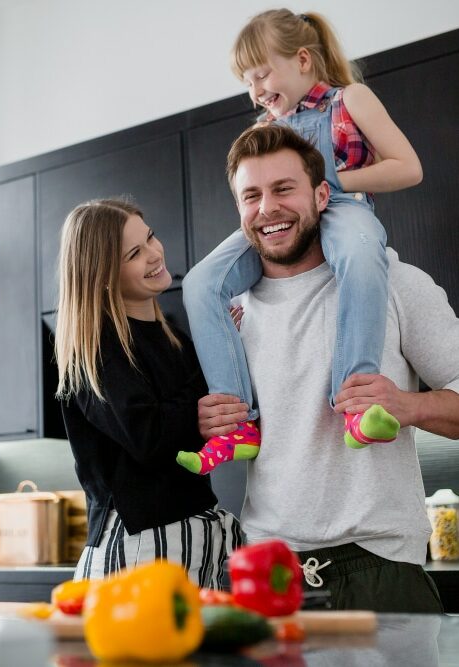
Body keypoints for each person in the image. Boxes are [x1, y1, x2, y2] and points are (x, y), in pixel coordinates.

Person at [197, 122, 459, 612]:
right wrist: (211, 420)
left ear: (322, 195)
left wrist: (406, 405)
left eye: (283, 189)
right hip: (266, 572)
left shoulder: (396, 283)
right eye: (251, 195)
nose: (267, 208)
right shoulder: (231, 316)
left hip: (380, 568)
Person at [178, 9, 423, 475]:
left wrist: (325, 182)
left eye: (262, 73)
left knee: (358, 253)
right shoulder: (261, 132)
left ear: (304, 60)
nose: (255, 91)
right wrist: (279, 196)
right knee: (200, 282)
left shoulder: (351, 99)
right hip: (281, 222)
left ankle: (355, 403)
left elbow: (408, 167)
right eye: (247, 82)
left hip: (345, 207)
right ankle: (240, 425)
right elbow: (258, 198)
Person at [54, 198, 242, 585]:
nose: (155, 254)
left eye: (150, 237)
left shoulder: (174, 337)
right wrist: (210, 372)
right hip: (140, 549)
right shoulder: (94, 348)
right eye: (135, 253)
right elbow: (149, 437)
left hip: (189, 538)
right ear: (103, 275)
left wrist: (224, 347)